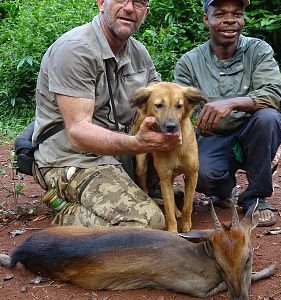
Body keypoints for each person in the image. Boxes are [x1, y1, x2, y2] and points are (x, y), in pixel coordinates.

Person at [32, 0, 182, 229]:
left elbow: (162, 102)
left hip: (119, 151)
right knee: (146, 223)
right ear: (101, 3)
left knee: (188, 144)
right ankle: (66, 211)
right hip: (74, 157)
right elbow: (78, 132)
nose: (130, 8)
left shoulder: (138, 52)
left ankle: (135, 186)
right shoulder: (75, 49)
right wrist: (137, 143)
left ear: (146, 13)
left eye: (139, 3)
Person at [174, 0, 281, 226]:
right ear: (207, 19)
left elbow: (277, 95)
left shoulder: (258, 50)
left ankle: (256, 198)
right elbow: (179, 110)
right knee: (202, 172)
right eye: (220, 14)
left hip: (253, 132)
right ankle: (224, 191)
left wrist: (232, 103)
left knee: (268, 118)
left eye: (237, 14)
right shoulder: (189, 62)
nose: (229, 20)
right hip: (214, 136)